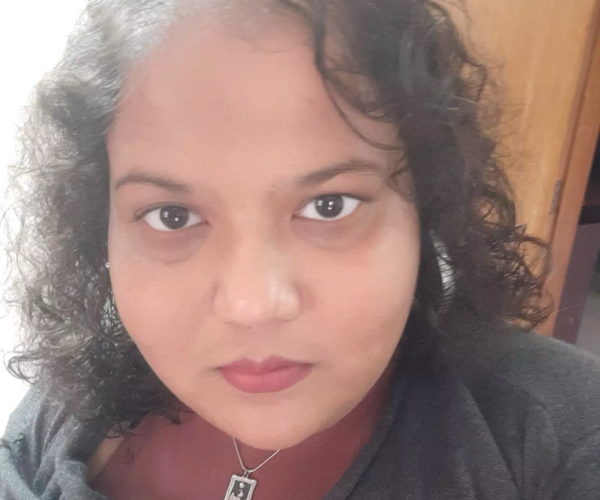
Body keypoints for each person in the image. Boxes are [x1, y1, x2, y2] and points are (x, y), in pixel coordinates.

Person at [1, 0, 599, 498]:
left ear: (426, 208)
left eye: (329, 206)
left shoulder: (556, 441)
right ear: (99, 228)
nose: (252, 306)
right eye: (172, 216)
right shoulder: (61, 412)